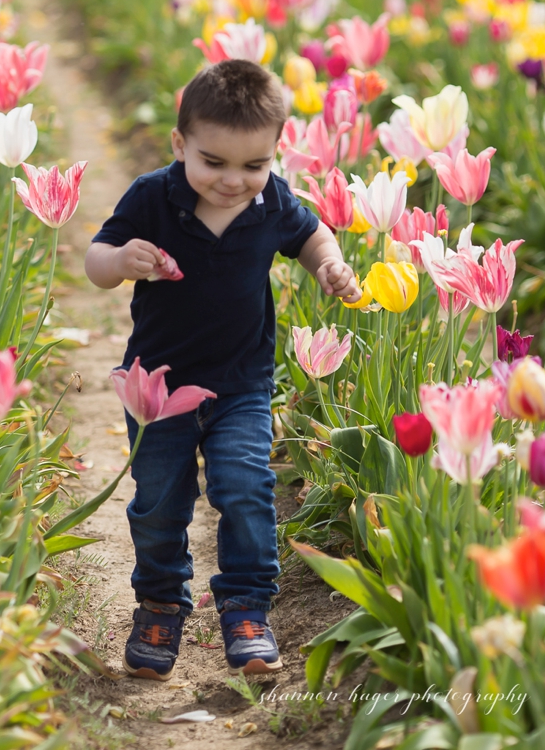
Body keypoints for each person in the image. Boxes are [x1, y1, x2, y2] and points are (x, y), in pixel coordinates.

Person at [84, 59, 361, 680]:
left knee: (245, 489)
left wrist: (329, 266)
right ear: (180, 144)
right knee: (158, 502)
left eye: (254, 165)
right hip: (157, 386)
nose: (235, 181)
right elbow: (95, 261)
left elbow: (312, 235)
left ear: (273, 155)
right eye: (214, 162)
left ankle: (246, 606)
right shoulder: (153, 197)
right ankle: (160, 601)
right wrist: (122, 260)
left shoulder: (272, 201)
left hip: (241, 383)